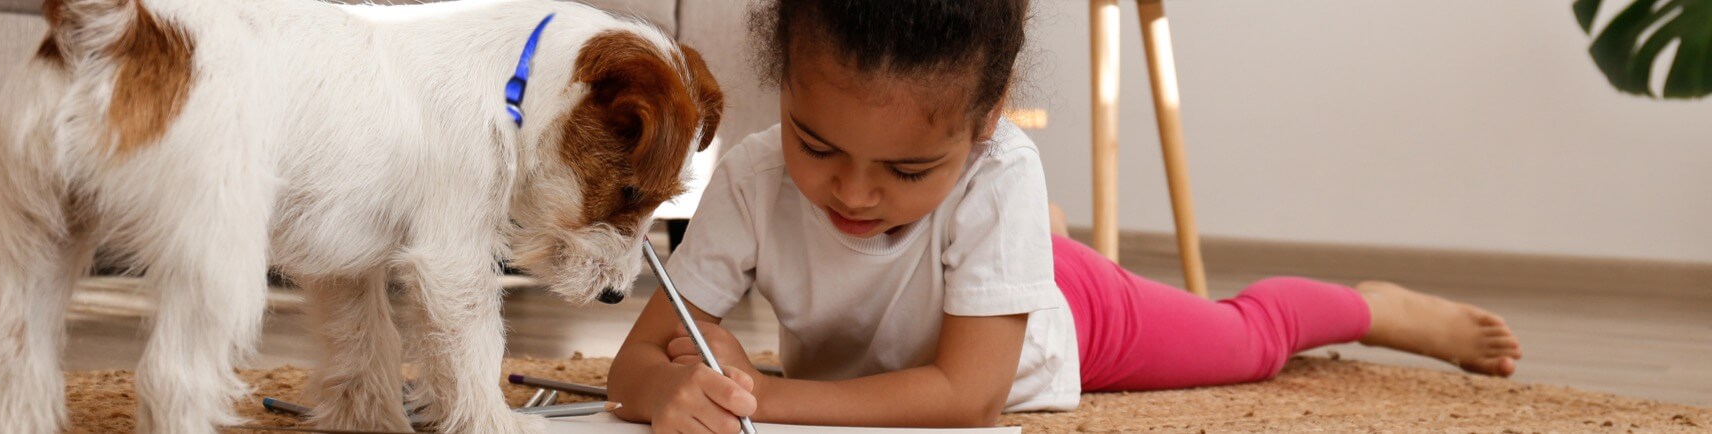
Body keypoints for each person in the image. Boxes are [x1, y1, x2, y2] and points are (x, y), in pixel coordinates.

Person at [606, 0, 1523, 431]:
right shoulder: (752, 178)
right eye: (818, 145)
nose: (852, 193)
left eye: (909, 168)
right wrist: (668, 392)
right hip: (957, 292)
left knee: (1246, 342)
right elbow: (635, 363)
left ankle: (1374, 306)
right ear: (786, 93)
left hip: (1068, 319)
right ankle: (1016, 251)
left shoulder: (1000, 169)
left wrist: (762, 399)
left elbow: (968, 396)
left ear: (986, 120)